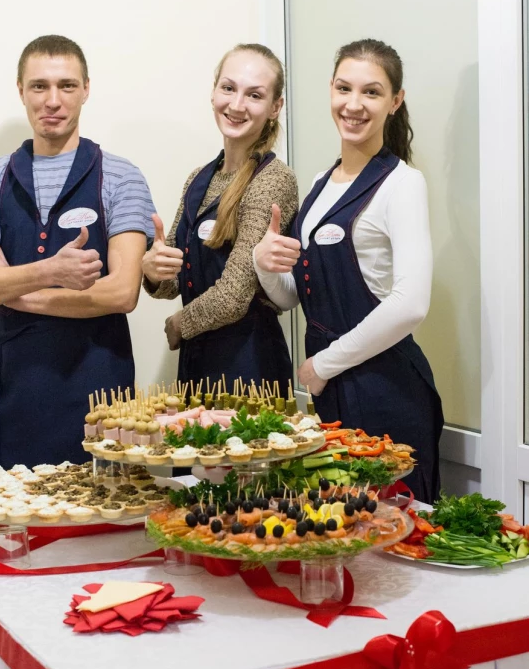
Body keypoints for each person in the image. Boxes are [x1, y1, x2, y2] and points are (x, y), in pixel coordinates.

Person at [0, 34, 154, 473]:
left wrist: (12, 291)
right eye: (39, 86)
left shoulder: (120, 177)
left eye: (66, 85)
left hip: (101, 391)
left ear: (86, 89)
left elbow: (121, 293)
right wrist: (49, 270)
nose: (53, 101)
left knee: (103, 530)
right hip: (18, 390)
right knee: (14, 528)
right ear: (21, 91)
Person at [254, 39, 443, 503]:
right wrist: (263, 263)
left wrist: (323, 363)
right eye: (344, 88)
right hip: (334, 390)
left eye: (372, 92)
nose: (353, 105)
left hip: (387, 388)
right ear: (330, 90)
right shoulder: (321, 185)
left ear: (395, 102)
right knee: (344, 533)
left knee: (395, 535)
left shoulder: (402, 184)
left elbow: (411, 304)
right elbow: (291, 296)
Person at [141, 43, 298, 394]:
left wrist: (180, 324)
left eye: (254, 95)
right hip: (197, 366)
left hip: (250, 370)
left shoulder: (273, 180)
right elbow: (177, 282)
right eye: (228, 88)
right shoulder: (199, 178)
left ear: (275, 108)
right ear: (214, 93)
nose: (237, 105)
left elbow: (234, 295)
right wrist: (152, 271)